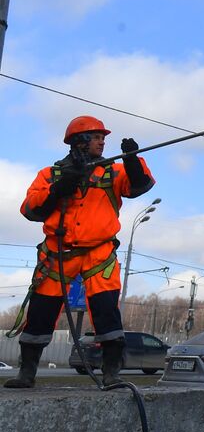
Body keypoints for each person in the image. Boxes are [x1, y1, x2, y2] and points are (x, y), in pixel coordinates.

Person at [5, 116, 154, 389]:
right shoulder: (49, 175)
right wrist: (56, 191)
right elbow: (29, 210)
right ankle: (27, 373)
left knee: (106, 311)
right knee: (40, 313)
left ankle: (111, 372)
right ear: (80, 141)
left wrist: (132, 159)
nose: (103, 141)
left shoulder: (113, 172)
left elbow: (141, 184)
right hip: (56, 254)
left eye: (102, 137)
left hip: (99, 255)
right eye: (97, 137)